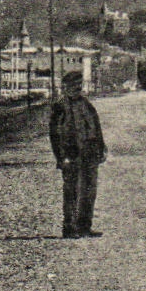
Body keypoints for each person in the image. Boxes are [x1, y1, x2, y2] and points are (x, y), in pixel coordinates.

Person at [49, 70, 106, 238]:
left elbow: (96, 127)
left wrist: (101, 148)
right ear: (65, 87)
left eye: (78, 85)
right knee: (72, 190)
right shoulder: (60, 106)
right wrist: (60, 157)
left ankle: (84, 226)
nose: (76, 88)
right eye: (73, 85)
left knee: (89, 190)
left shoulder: (86, 104)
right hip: (71, 153)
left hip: (90, 153)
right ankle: (70, 227)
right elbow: (54, 134)